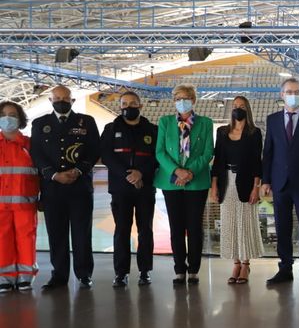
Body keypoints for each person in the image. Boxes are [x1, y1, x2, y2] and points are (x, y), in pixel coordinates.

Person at [30, 85, 100, 290]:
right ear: (50, 101)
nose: (62, 101)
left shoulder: (86, 122)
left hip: (80, 187)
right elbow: (37, 153)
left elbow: (94, 150)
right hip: (52, 188)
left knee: (82, 233)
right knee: (56, 234)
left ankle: (84, 273)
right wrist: (53, 174)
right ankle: (59, 276)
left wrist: (78, 171)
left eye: (65, 98)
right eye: (57, 98)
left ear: (72, 101)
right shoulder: (40, 123)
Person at [261, 77, 299, 287]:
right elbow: (268, 152)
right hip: (279, 183)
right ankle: (285, 268)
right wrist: (266, 180)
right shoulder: (272, 120)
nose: (293, 94)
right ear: (282, 94)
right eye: (289, 91)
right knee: (282, 227)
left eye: (297, 91)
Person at [155, 84, 214, 286]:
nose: (182, 101)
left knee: (194, 227)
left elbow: (208, 153)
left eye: (186, 97)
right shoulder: (164, 122)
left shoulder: (206, 123)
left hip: (197, 183)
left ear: (193, 100)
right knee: (176, 227)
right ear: (173, 101)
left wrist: (190, 172)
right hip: (171, 183)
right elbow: (160, 152)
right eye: (178, 98)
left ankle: (194, 270)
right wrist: (177, 171)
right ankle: (179, 268)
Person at [100, 91, 158, 288]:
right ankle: (121, 273)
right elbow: (107, 156)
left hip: (145, 187)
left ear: (141, 106)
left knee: (145, 231)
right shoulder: (110, 129)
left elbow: (157, 156)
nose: (128, 107)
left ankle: (145, 271)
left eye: (133, 103)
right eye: (125, 103)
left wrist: (140, 173)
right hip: (120, 188)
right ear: (120, 106)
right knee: (122, 231)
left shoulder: (152, 130)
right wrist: (128, 175)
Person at [211, 96, 263, 285]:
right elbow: (217, 161)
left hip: (246, 182)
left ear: (247, 109)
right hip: (227, 181)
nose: (238, 109)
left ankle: (245, 264)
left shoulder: (254, 132)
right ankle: (235, 263)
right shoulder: (222, 132)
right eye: (235, 106)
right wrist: (214, 185)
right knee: (230, 222)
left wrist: (256, 187)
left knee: (245, 223)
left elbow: (258, 162)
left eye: (241, 106)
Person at [0, 101, 39, 292]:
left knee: (26, 237)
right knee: (2, 239)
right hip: (0, 206)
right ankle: (4, 277)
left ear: (20, 118)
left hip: (25, 203)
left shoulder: (30, 145)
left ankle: (25, 275)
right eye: (4, 114)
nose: (8, 118)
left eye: (13, 114)